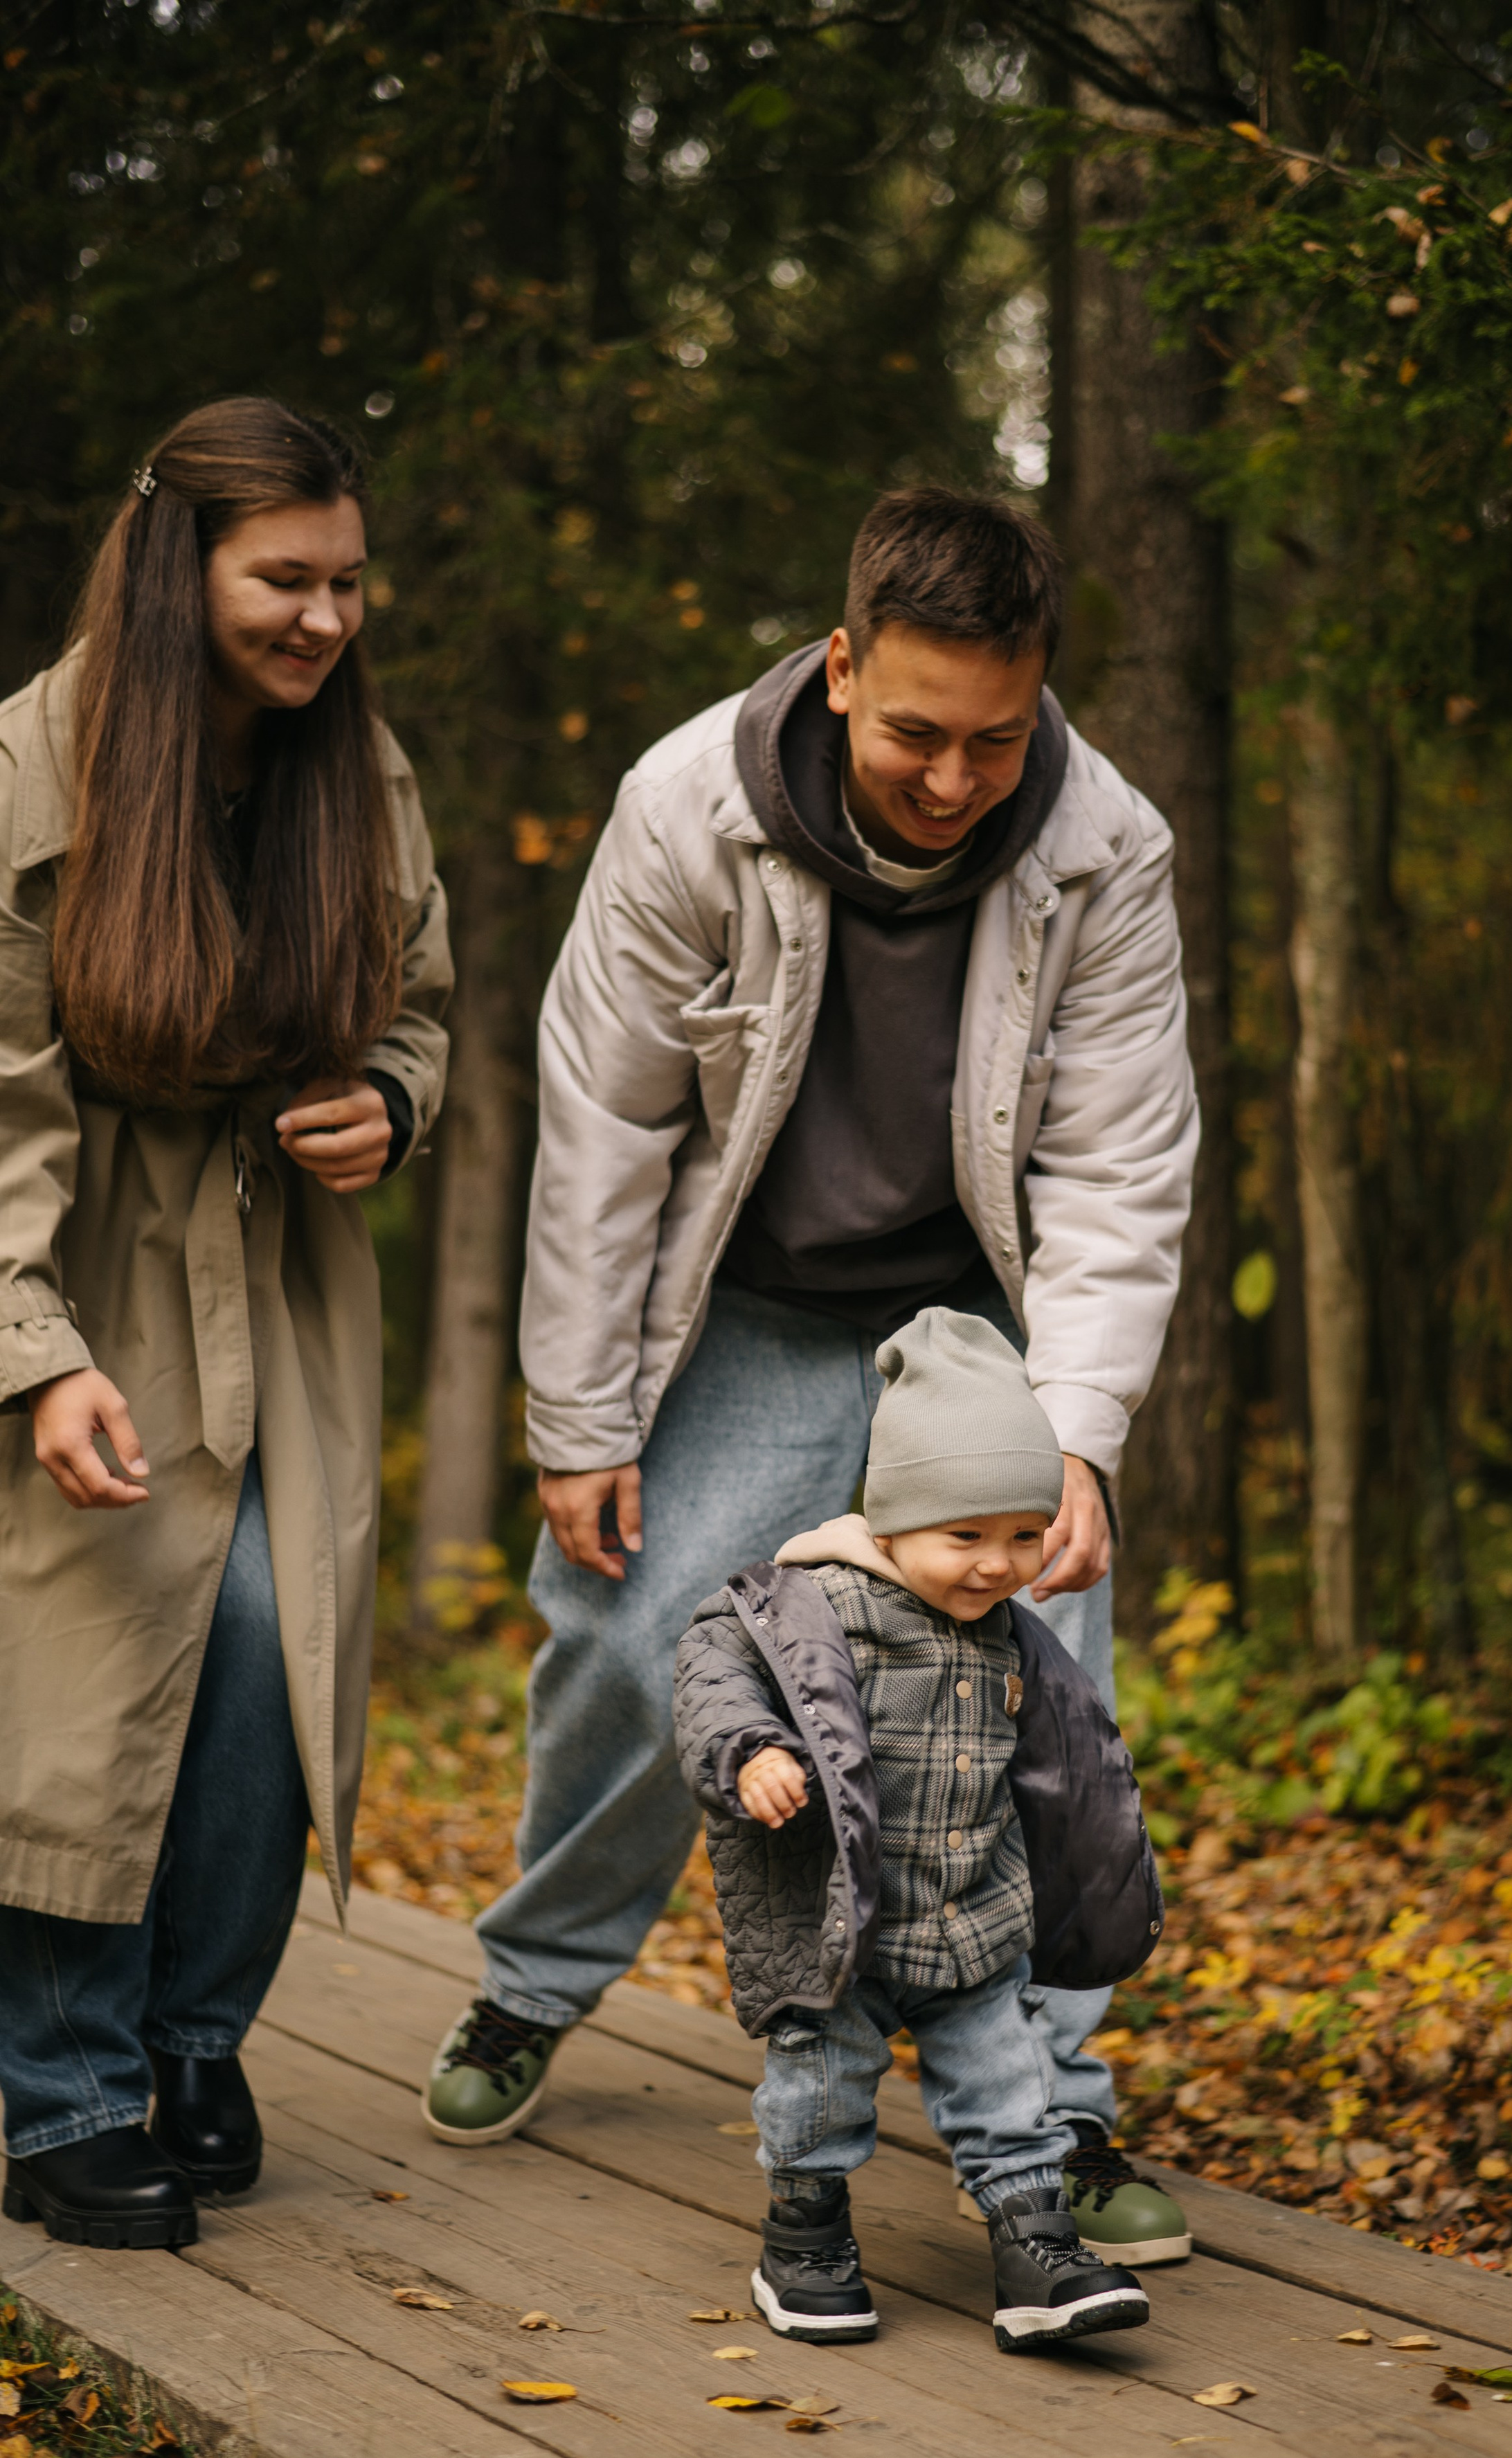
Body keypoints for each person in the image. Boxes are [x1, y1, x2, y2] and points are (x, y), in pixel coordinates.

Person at [422, 486, 1191, 2265]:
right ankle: (536, 1981)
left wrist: (1072, 1437)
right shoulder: (685, 808)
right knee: (628, 1640)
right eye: (914, 730)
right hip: (747, 1306)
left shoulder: (1104, 843)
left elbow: (1118, 1161)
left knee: (1042, 1677)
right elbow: (603, 1127)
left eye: (992, 742)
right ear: (841, 668)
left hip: (973, 1323)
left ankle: (1054, 2108)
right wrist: (582, 1418)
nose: (948, 779)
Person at [0, 397, 452, 2252]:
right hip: (76, 1263)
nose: (326, 620)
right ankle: (65, 2087)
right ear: (181, 568)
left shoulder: (361, 764)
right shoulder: (37, 762)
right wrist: (33, 1355)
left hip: (275, 1269)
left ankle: (194, 2043)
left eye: (349, 581)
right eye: (286, 579)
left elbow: (419, 998)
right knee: (95, 1660)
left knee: (271, 1635)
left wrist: (395, 1101)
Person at [674, 1309, 1164, 2351]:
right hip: (841, 1923)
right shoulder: (808, 1606)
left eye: (1024, 1536)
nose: (996, 1565)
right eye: (966, 1537)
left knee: (1010, 2088)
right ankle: (805, 2240)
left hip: (971, 1921)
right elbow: (710, 1670)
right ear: (892, 1523)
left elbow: (1068, 1760)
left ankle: (1035, 2247)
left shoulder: (1010, 1632)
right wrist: (750, 1752)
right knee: (822, 2089)